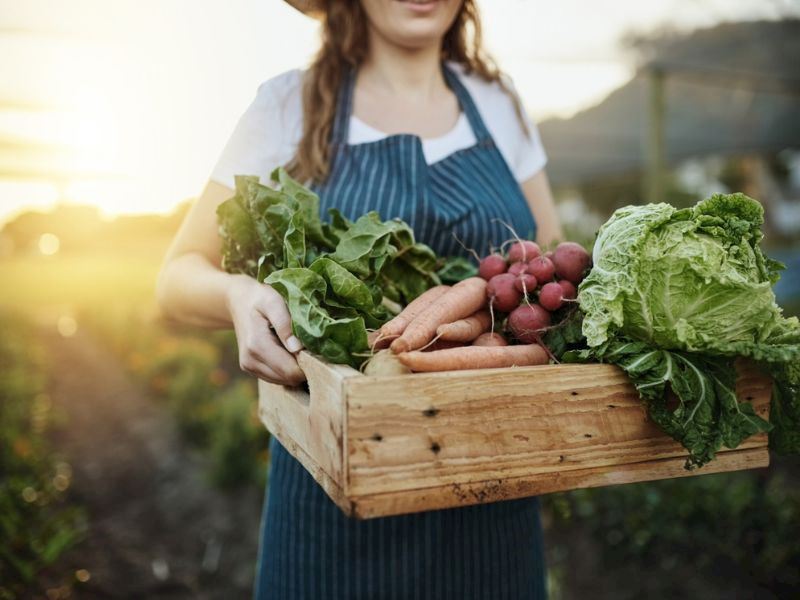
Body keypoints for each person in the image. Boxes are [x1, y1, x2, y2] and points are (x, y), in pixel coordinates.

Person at [156, 0, 563, 598]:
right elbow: (175, 277)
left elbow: (549, 263)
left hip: (493, 489)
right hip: (332, 496)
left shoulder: (498, 102)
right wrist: (239, 296)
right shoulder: (286, 106)